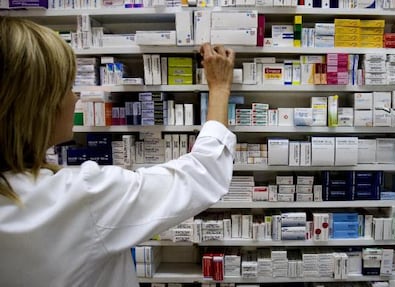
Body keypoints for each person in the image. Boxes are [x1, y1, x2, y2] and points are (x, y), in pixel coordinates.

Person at [0, 16, 236, 286]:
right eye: (66, 87)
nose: (75, 97)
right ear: (37, 107)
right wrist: (219, 88)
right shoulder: (81, 198)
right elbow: (203, 173)